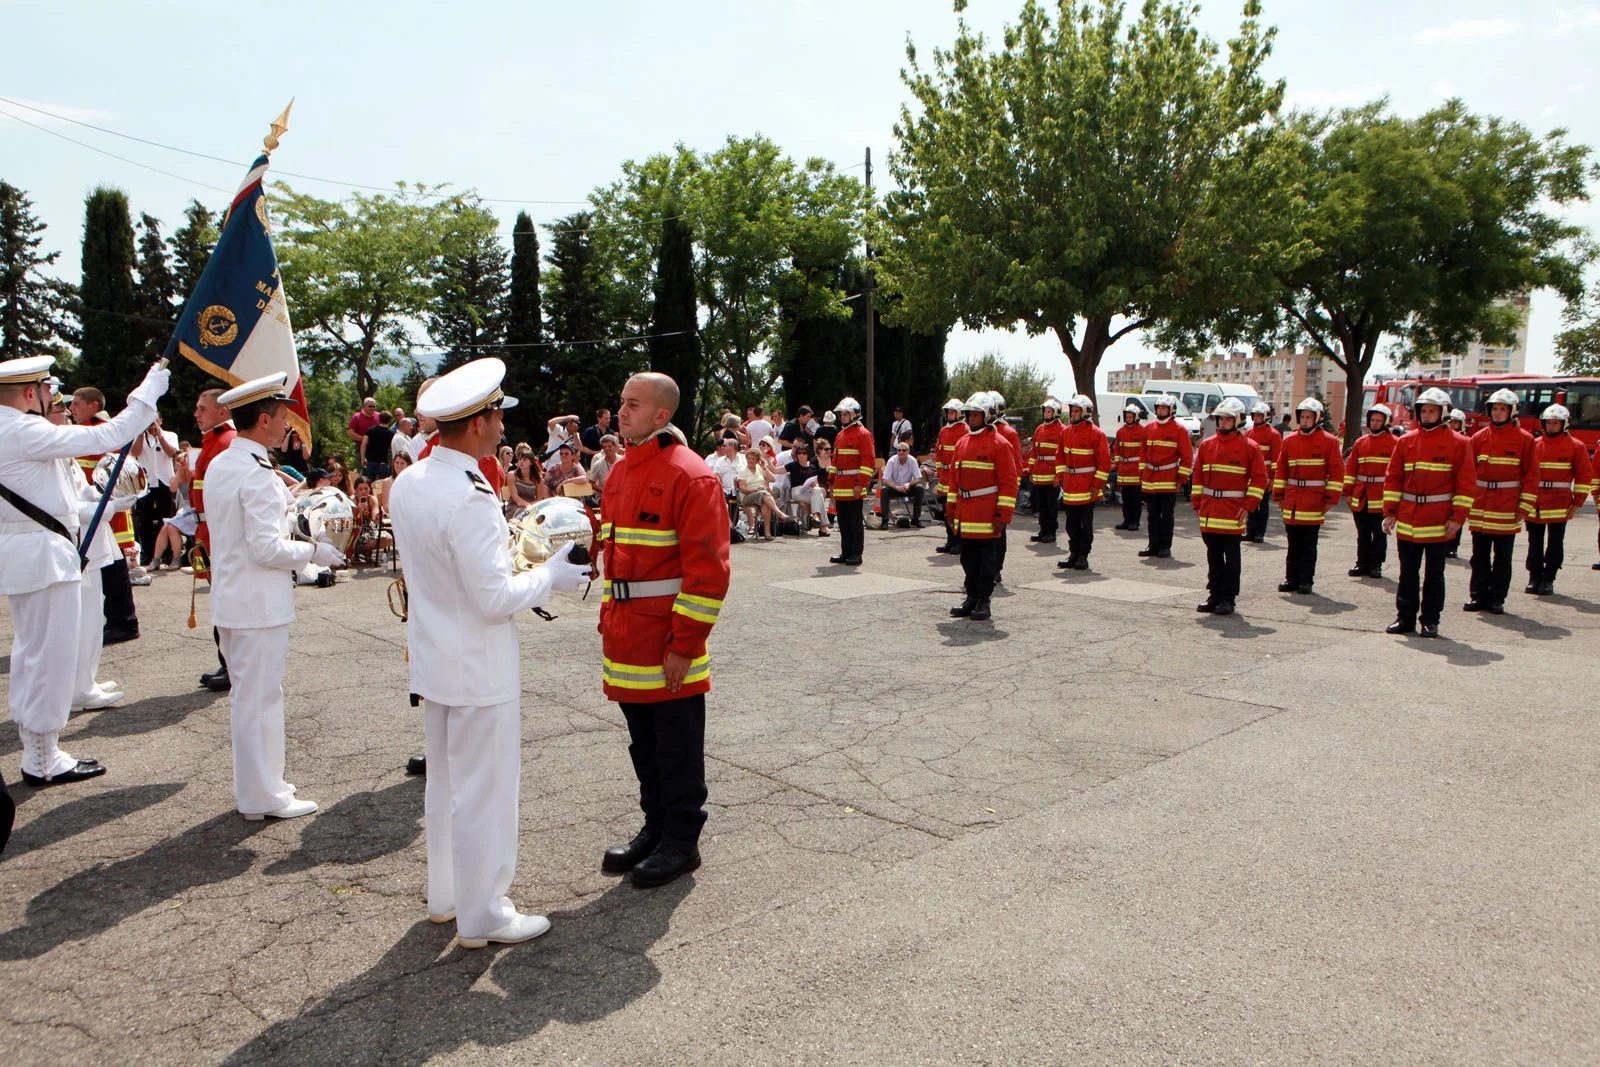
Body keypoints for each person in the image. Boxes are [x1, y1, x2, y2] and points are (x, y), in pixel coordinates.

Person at [389, 357, 590, 946]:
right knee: (486, 790)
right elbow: (493, 597)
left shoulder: (412, 480)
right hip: (478, 662)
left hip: (435, 655)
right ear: (477, 424)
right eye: (497, 415)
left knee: (447, 784)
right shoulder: (469, 492)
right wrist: (550, 575)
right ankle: (485, 914)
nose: (503, 425)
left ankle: (448, 895)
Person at [0, 356, 169, 786]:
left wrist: (107, 506)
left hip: (34, 550)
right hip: (42, 555)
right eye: (45, 390)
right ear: (28, 393)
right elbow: (110, 433)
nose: (50, 397)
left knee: (34, 654)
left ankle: (40, 750)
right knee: (50, 657)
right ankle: (43, 758)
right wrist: (146, 393)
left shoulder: (12, 429)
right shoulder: (20, 428)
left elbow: (53, 499)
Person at [597, 371, 731, 889]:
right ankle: (655, 827)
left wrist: (684, 645)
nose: (621, 411)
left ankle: (682, 841)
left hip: (668, 643)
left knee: (676, 745)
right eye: (621, 401)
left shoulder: (690, 475)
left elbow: (708, 573)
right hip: (627, 636)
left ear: (661, 415)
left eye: (633, 404)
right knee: (643, 744)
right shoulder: (621, 471)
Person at [207, 374, 342, 820]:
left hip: (236, 600)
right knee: (260, 701)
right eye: (283, 418)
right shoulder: (257, 473)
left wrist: (288, 504)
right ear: (263, 420)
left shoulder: (227, 463)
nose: (288, 426)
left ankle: (263, 786)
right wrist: (313, 550)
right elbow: (265, 548)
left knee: (253, 699)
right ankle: (262, 795)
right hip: (257, 605)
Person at [47, 390, 129, 713]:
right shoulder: (49, 452)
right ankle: (79, 688)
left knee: (94, 614)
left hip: (92, 543)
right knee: (82, 620)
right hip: (76, 543)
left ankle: (85, 681)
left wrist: (110, 500)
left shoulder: (62, 450)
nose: (67, 413)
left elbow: (82, 492)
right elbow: (64, 507)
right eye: (59, 409)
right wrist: (106, 508)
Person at [1383, 387, 1475, 638]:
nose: (1426, 415)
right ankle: (1405, 618)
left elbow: (1465, 484)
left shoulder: (1460, 443)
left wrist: (1458, 518)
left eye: (1432, 410)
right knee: (1407, 572)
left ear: (1443, 413)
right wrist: (1390, 512)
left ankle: (1430, 620)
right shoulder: (1405, 441)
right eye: (1423, 410)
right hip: (1409, 519)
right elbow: (1394, 479)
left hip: (1438, 520)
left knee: (1434, 575)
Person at [68, 387, 141, 644]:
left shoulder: (96, 431)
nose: (71, 408)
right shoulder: (92, 431)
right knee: (111, 570)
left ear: (94, 405)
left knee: (113, 569)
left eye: (77, 403)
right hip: (99, 510)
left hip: (107, 512)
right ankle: (120, 621)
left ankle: (123, 622)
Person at [1190, 398, 1268, 616]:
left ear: (1239, 421)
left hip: (1233, 512)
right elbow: (1197, 477)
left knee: (1231, 557)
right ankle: (1214, 594)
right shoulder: (1206, 445)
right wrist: (1197, 503)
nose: (1222, 423)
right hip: (1209, 511)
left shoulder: (1250, 447)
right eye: (1220, 419)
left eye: (1227, 419)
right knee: (1213, 556)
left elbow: (1260, 479)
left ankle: (1228, 598)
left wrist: (1249, 504)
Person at [1464, 387, 1536, 615]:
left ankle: (1497, 598)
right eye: (1494, 408)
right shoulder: (1478, 438)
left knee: (1502, 558)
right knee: (1479, 556)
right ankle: (1478, 596)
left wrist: (1524, 507)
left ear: (1512, 412)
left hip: (1507, 506)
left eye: (1502, 409)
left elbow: (1532, 476)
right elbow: (1467, 472)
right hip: (1481, 505)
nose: (1497, 413)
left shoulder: (1525, 440)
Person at [948, 393, 1018, 621]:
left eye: (977, 414)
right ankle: (970, 597)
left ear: (987, 416)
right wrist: (950, 510)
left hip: (987, 514)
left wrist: (1003, 514)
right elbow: (953, 481)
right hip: (966, 512)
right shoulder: (962, 442)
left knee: (986, 560)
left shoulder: (1000, 444)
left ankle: (983, 601)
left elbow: (1008, 483)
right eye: (970, 414)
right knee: (967, 558)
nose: (972, 419)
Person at [1273, 397, 1344, 595]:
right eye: (1302, 417)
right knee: (1293, 543)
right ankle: (1291, 578)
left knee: (1308, 544)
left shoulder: (1329, 442)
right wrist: (1279, 495)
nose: (1304, 421)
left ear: (1317, 418)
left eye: (1308, 417)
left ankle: (1306, 580)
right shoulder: (1289, 440)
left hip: (1314, 501)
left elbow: (1337, 472)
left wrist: (1331, 499)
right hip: (1293, 500)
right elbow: (1281, 470)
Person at [1522, 404, 1592, 596]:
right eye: (1549, 423)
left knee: (1555, 542)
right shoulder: (1534, 444)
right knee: (1534, 542)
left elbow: (1584, 475)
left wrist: (1578, 501)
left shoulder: (1576, 446)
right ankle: (1534, 576)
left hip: (1560, 503)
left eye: (1556, 423)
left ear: (1564, 424)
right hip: (1535, 502)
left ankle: (1549, 578)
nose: (1552, 426)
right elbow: (1525, 474)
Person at [1054, 395, 1112, 571]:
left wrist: (1097, 485)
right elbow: (1060, 456)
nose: (1072, 414)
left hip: (1087, 487)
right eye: (1072, 410)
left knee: (1085, 524)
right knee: (1071, 524)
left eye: (1076, 410)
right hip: (1070, 486)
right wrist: (1060, 476)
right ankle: (1073, 553)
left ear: (1086, 412)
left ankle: (1083, 556)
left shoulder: (1097, 434)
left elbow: (1104, 463)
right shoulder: (1066, 432)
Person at [1345, 404, 1398, 578]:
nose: (1374, 423)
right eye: (1372, 420)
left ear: (1386, 422)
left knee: (1380, 533)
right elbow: (1351, 469)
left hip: (1381, 496)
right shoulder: (1360, 442)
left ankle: (1376, 565)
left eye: (1378, 420)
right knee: (1363, 534)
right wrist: (1348, 492)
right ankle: (1361, 564)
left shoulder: (1394, 443)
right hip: (1361, 496)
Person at [1138, 394, 1193, 559]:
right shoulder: (1149, 428)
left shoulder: (1179, 430)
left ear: (1171, 410)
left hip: (1168, 478)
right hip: (1150, 478)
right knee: (1152, 515)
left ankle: (1165, 546)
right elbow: (1143, 452)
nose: (1161, 410)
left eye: (1164, 408)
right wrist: (1142, 473)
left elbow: (1187, 456)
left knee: (1166, 515)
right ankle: (1153, 544)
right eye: (1159, 407)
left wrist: (1181, 479)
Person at [827, 397, 874, 566]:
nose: (842, 417)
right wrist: (831, 482)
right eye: (841, 414)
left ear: (854, 414)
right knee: (843, 522)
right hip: (840, 486)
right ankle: (845, 552)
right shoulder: (840, 434)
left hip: (854, 486)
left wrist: (860, 484)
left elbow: (868, 462)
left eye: (846, 414)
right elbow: (835, 460)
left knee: (854, 522)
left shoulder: (863, 434)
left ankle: (856, 553)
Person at [131, 414, 179, 566]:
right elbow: (136, 452)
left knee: (166, 518)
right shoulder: (139, 437)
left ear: (161, 421)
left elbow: (173, 453)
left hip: (165, 481)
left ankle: (168, 553)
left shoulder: (170, 435)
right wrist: (140, 431)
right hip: (146, 482)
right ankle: (147, 553)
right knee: (143, 520)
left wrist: (160, 436)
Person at [1028, 398, 1067, 544]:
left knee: (1051, 505)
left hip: (1052, 474)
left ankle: (1051, 532)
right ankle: (1042, 530)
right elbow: (1034, 452)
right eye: (1045, 411)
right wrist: (1031, 470)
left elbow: (1062, 455)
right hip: (1039, 473)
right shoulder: (1039, 429)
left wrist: (1059, 476)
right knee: (1041, 504)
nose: (1046, 414)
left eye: (1049, 411)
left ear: (1056, 413)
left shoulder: (1062, 430)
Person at [1243, 402, 1280, 543]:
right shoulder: (1248, 433)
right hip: (1250, 477)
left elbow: (1276, 458)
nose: (1256, 418)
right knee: (1250, 504)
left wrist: (1272, 478)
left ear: (1265, 417)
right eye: (1255, 415)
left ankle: (1260, 533)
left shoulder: (1274, 435)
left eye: (1259, 415)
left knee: (1263, 506)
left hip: (1265, 477)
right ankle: (1250, 531)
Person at [933, 399, 966, 554]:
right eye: (948, 412)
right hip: (945, 478)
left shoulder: (965, 429)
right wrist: (939, 470)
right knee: (947, 512)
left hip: (957, 478)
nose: (949, 415)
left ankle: (959, 543)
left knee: (958, 512)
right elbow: (938, 453)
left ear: (959, 413)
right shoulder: (944, 430)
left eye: (953, 412)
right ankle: (950, 541)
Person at [735, 445, 785, 539]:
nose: (750, 460)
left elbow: (773, 479)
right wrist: (754, 489)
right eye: (749, 458)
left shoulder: (759, 469)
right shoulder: (743, 471)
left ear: (757, 460)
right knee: (764, 493)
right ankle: (778, 512)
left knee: (765, 504)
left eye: (753, 459)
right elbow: (742, 488)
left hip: (761, 495)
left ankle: (767, 532)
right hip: (747, 495)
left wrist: (764, 468)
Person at [1112, 403, 1146, 532]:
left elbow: (1144, 451)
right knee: (1125, 499)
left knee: (1136, 499)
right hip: (1124, 471)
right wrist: (1117, 463)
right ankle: (1126, 521)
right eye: (1127, 416)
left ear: (1136, 417)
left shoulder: (1142, 432)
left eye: (1131, 417)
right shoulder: (1120, 432)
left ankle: (1134, 522)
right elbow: (1117, 449)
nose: (1128, 419)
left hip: (1136, 470)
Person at [1443, 408, 1470, 558]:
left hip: (1459, 485)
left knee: (1457, 516)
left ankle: (1453, 546)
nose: (1453, 425)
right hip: (1447, 485)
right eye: (1451, 422)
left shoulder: (1467, 441)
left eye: (1456, 423)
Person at [878, 442, 925, 527]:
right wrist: (896, 487)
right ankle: (885, 520)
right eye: (899, 450)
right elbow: (885, 480)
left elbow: (919, 478)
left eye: (904, 450)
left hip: (908, 487)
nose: (901, 452)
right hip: (894, 488)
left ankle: (916, 519)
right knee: (884, 490)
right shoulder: (892, 461)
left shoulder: (912, 460)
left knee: (920, 488)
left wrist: (909, 484)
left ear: (908, 452)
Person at [360, 411, 396, 481]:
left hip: (371, 462)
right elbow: (392, 448)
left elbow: (363, 445)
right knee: (383, 484)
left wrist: (363, 458)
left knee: (369, 483)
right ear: (389, 420)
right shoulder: (391, 433)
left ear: (379, 419)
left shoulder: (370, 430)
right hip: (384, 462)